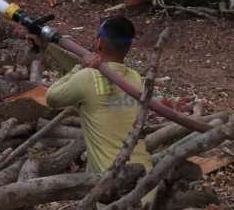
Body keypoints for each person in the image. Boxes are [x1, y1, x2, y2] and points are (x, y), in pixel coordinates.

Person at [33, 16, 153, 174]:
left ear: (99, 43)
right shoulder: (135, 79)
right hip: (143, 178)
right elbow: (90, 73)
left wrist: (80, 68)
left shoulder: (86, 78)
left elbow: (52, 97)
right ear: (128, 47)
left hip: (110, 187)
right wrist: (48, 47)